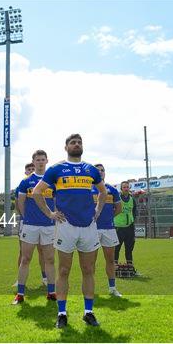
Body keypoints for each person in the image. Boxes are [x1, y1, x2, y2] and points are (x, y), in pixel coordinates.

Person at [33, 133, 106, 328]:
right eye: (73, 142)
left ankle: (88, 312)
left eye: (79, 142)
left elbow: (103, 192)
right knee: (63, 270)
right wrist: (50, 213)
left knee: (89, 269)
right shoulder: (56, 169)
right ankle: (62, 313)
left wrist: (98, 210)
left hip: (89, 226)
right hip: (66, 225)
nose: (76, 144)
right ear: (66, 147)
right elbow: (37, 192)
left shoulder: (91, 169)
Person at [13, 150, 56, 305]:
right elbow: (20, 203)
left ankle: (52, 292)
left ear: (47, 161)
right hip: (30, 226)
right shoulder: (26, 182)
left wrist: (54, 215)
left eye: (42, 159)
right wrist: (27, 218)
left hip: (49, 225)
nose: (40, 162)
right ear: (33, 161)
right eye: (37, 159)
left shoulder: (52, 181)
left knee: (49, 259)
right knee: (26, 259)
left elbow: (57, 201)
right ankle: (20, 293)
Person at [92, 164, 122, 297]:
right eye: (97, 171)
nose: (100, 172)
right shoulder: (87, 189)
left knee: (110, 260)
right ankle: (90, 289)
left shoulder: (112, 190)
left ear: (105, 173)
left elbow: (119, 209)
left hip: (109, 229)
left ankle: (112, 288)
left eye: (102, 170)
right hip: (92, 229)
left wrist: (109, 218)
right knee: (90, 262)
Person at [114, 181, 137, 273]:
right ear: (121, 188)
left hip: (129, 227)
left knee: (129, 248)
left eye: (127, 187)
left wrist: (133, 219)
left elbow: (134, 210)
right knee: (117, 248)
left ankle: (130, 267)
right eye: (124, 187)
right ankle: (114, 267)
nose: (126, 189)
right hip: (119, 227)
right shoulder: (117, 198)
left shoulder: (132, 199)